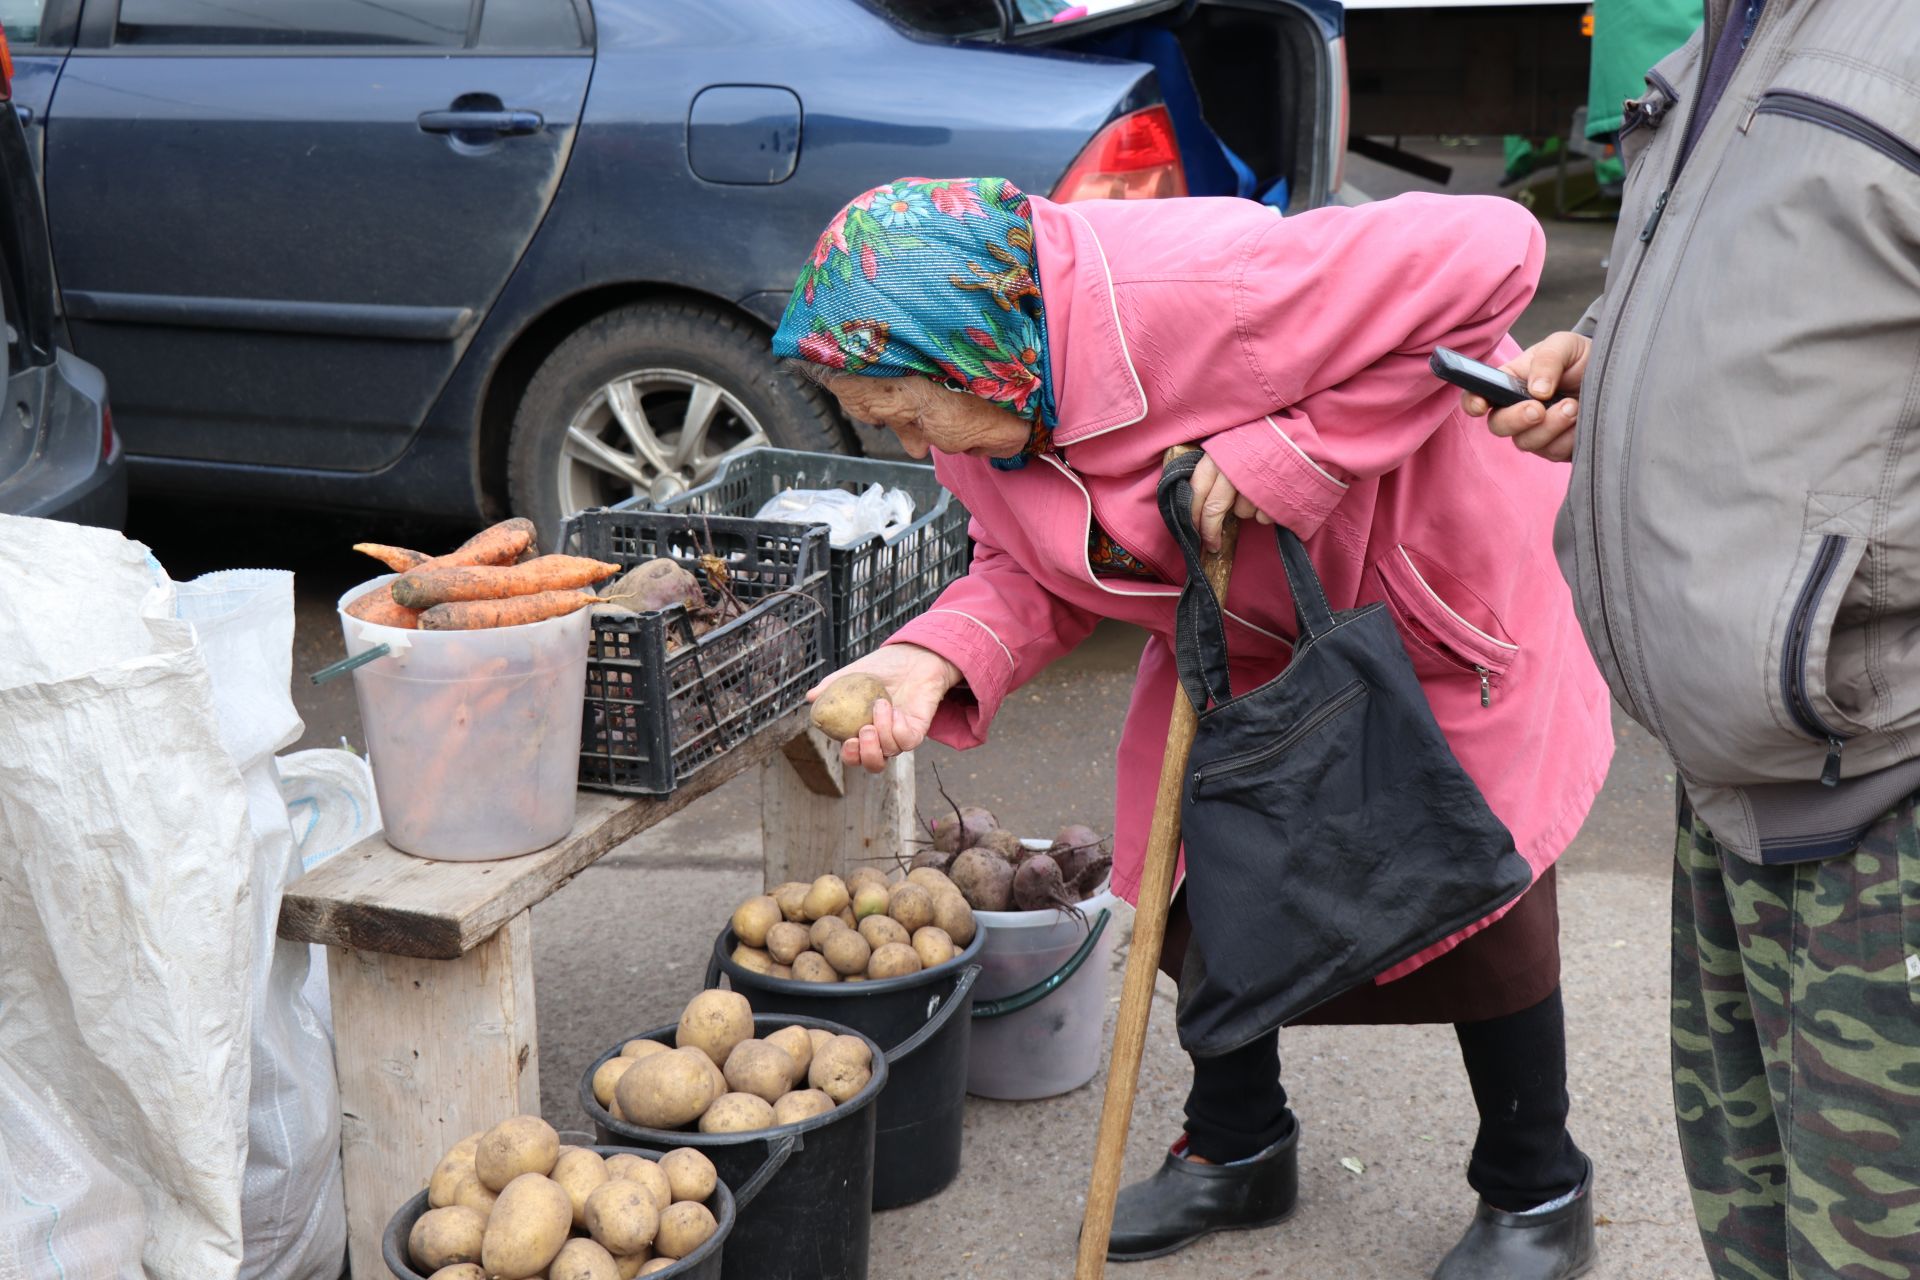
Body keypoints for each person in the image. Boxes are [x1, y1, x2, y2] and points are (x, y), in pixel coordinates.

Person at [773, 175, 1614, 1277]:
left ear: (972, 347)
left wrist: (1287, 453)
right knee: (1198, 882)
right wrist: (933, 654)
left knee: (1471, 890)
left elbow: (1492, 245)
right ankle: (1238, 1148)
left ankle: (1536, 1187)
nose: (895, 432)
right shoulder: (978, 410)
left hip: (1418, 592)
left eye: (902, 403)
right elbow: (1028, 569)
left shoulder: (1207, 288)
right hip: (1234, 627)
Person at [1464, 4, 1920, 1278]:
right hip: (1740, 772)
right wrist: (1611, 362)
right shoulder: (1746, 19)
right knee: (1764, 1234)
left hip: (1889, 796)